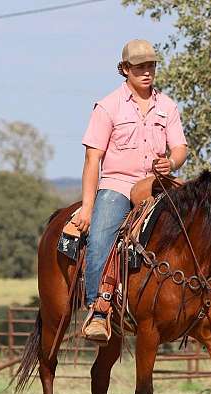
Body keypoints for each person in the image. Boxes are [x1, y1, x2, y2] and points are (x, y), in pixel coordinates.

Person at [73, 39, 188, 344]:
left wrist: (171, 162)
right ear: (125, 69)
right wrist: (87, 208)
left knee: (199, 222)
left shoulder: (167, 106)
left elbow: (179, 148)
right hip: (118, 186)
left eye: (151, 66)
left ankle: (198, 295)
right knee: (100, 236)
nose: (147, 72)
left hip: (156, 184)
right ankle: (99, 308)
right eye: (139, 67)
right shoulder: (107, 106)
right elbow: (92, 159)